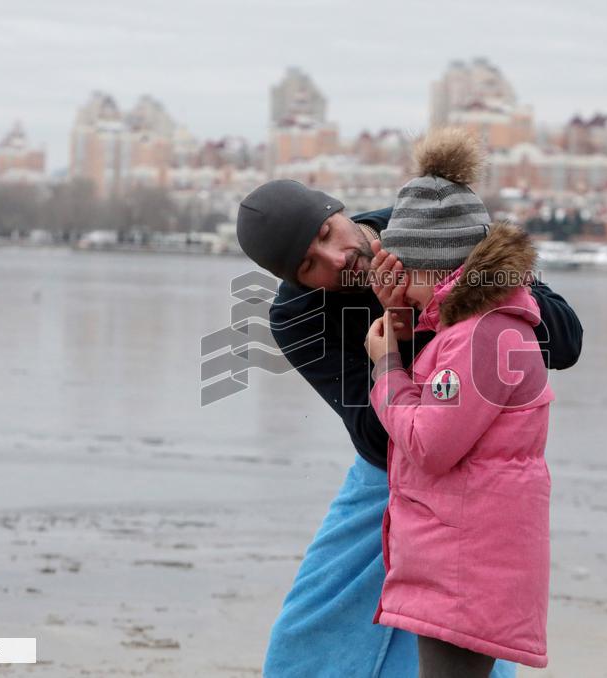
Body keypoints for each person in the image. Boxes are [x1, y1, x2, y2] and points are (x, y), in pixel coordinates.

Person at [236, 137, 583, 677]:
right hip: (385, 471)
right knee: (309, 633)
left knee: (463, 630)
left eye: (328, 233)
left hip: (478, 470)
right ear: (294, 281)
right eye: (309, 265)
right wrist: (392, 327)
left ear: (339, 211)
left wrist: (459, 300)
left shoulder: (430, 222)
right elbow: (377, 438)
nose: (336, 258)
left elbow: (565, 339)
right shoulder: (296, 316)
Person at [363, 128, 553, 676]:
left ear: (438, 267)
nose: (403, 288)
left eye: (408, 275)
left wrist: (385, 365)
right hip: (466, 559)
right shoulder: (476, 328)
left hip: (466, 567)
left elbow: (430, 442)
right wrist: (401, 323)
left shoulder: (484, 336)